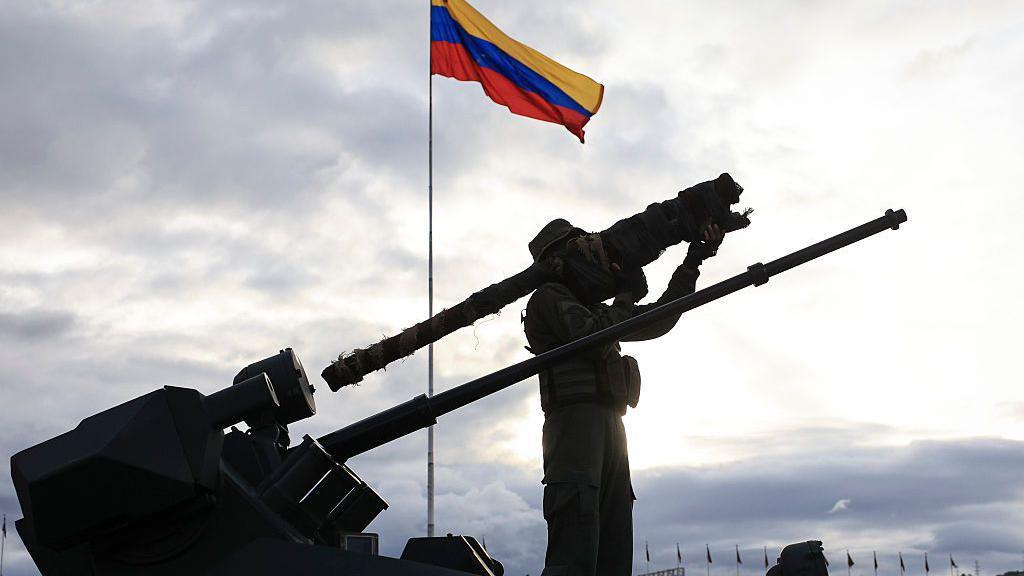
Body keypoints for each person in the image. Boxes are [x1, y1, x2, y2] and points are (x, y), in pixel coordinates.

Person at [523, 217, 725, 576]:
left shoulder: (596, 309)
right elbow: (590, 338)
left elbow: (660, 320)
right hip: (574, 429)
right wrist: (625, 295)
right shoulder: (548, 297)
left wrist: (692, 263)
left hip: (611, 428)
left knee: (614, 544)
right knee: (576, 544)